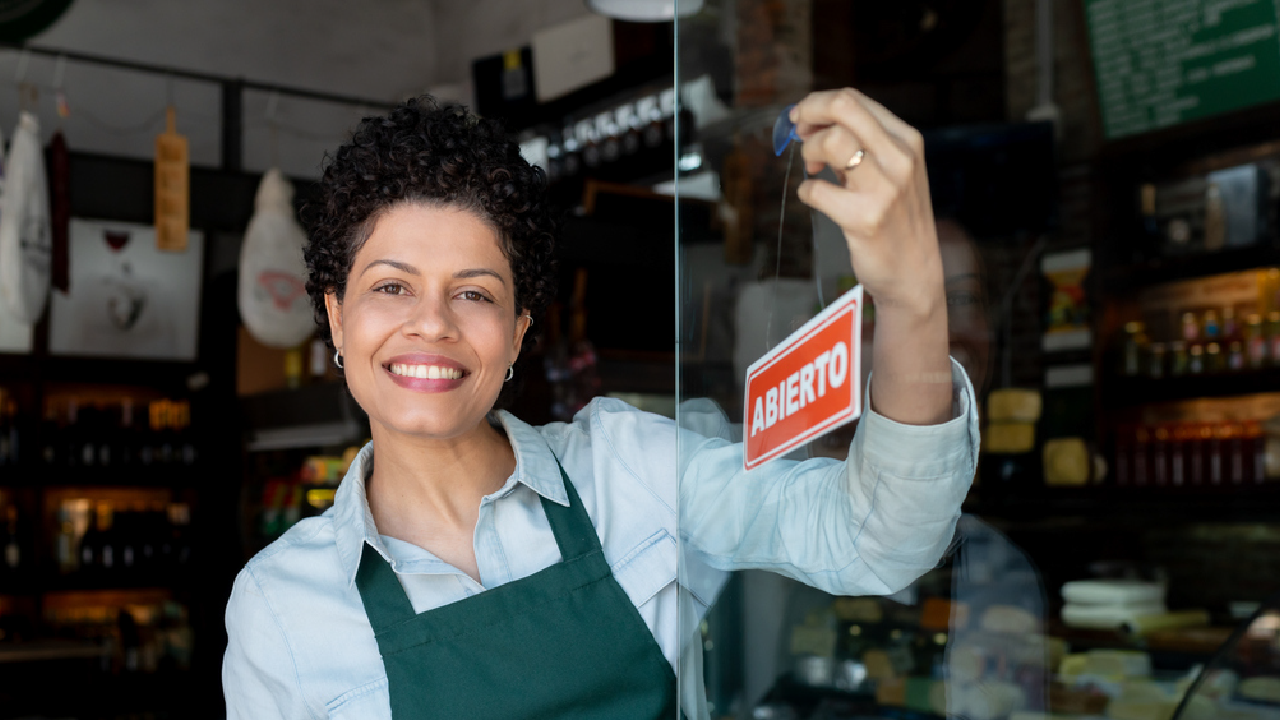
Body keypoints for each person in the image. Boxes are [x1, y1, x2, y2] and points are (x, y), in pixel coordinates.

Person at [222, 89, 980, 719]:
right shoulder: (280, 606)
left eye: (475, 293)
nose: (434, 322)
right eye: (392, 286)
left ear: (517, 332)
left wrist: (912, 299)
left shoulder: (630, 469)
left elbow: (878, 539)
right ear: (338, 318)